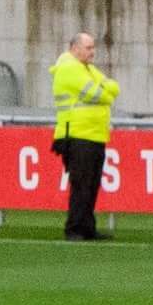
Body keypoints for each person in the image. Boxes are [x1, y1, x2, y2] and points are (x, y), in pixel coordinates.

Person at [48, 32, 116, 241]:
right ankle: (75, 228)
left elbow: (113, 88)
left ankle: (86, 227)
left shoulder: (86, 69)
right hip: (77, 134)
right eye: (88, 48)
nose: (92, 52)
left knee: (91, 184)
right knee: (82, 184)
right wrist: (106, 93)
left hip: (93, 134)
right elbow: (100, 94)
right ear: (75, 48)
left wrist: (106, 92)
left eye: (93, 47)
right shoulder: (69, 68)